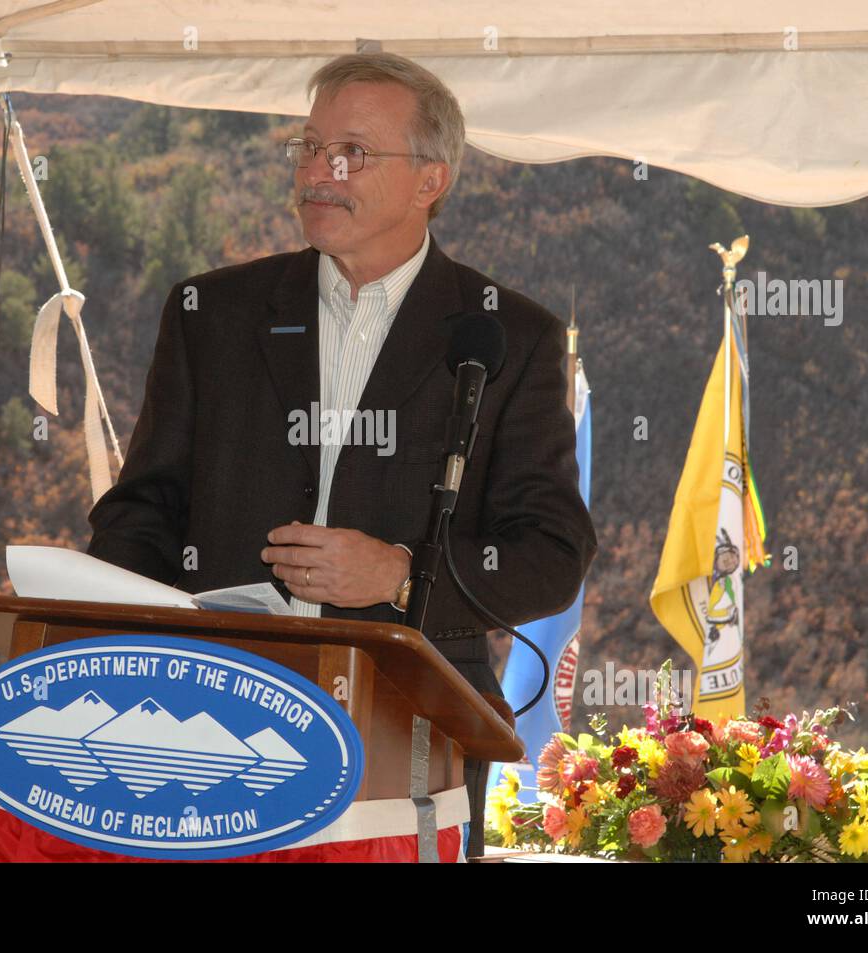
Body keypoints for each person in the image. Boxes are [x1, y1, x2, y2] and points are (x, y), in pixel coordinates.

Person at [87, 51, 597, 858]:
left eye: (352, 153)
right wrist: (115, 646)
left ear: (431, 179)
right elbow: (140, 514)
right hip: (210, 731)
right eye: (308, 146)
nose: (318, 173)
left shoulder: (507, 337)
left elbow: (552, 555)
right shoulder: (212, 313)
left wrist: (399, 573)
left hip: (408, 741)